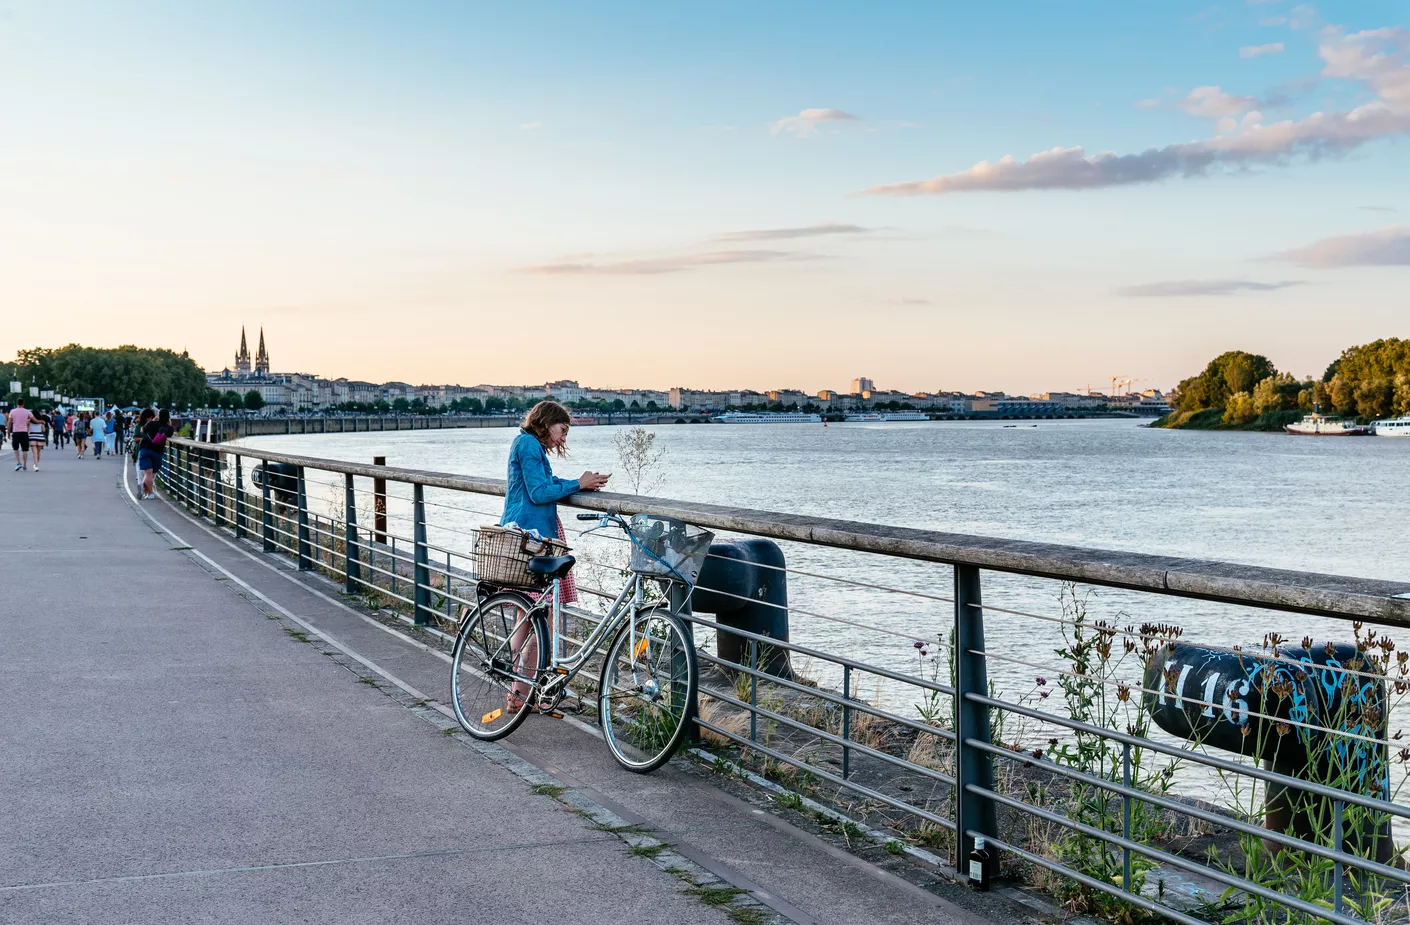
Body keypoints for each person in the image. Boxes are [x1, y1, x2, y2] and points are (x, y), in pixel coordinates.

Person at [498, 401, 609, 710]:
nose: (563, 439)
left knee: (526, 615)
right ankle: (521, 697)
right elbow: (538, 492)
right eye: (562, 430)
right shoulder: (529, 446)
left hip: (528, 533)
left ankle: (517, 694)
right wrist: (577, 483)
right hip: (533, 536)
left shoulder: (527, 443)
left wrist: (581, 484)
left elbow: (545, 484)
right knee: (541, 617)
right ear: (546, 423)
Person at [137, 408, 172, 499]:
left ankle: (149, 492)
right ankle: (148, 492)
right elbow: (170, 432)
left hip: (145, 448)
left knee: (147, 473)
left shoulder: (151, 423)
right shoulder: (168, 428)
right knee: (151, 474)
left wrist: (153, 421)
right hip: (158, 452)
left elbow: (142, 430)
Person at [8, 398, 32, 471]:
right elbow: (31, 420)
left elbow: (9, 422)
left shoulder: (12, 411)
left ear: (17, 403)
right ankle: (24, 466)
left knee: (15, 449)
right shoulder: (27, 411)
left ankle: (18, 463)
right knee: (25, 450)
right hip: (24, 432)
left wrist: (8, 432)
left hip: (15, 432)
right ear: (23, 403)